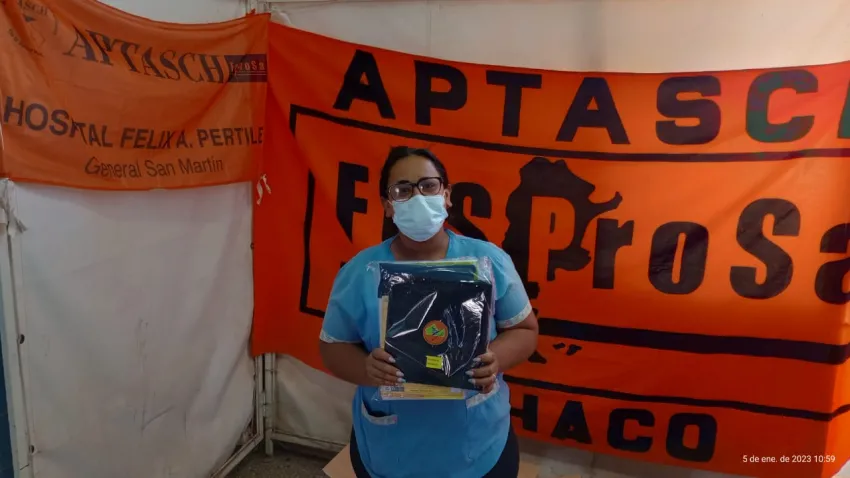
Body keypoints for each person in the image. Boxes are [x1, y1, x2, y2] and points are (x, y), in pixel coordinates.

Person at [319, 146, 539, 478]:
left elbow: (525, 330)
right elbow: (332, 346)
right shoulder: (360, 272)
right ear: (387, 205)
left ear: (446, 196)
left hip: (478, 444)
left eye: (428, 185)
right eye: (403, 190)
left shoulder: (489, 261)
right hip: (390, 448)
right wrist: (366, 368)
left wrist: (496, 359)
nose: (418, 197)